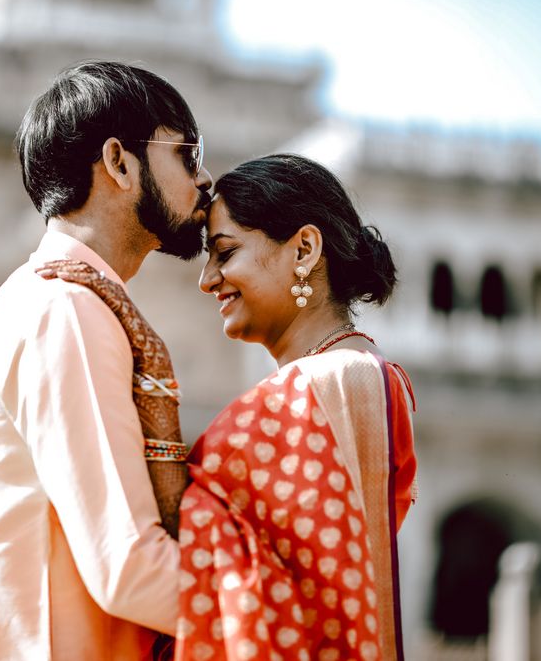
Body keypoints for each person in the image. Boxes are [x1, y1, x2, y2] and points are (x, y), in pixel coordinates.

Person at [0, 61, 212, 660]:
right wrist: (297, 612)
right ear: (120, 163)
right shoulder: (68, 310)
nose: (206, 178)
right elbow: (128, 565)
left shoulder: (54, 299)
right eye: (188, 152)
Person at [174, 154, 417, 661]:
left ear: (304, 249)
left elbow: (198, 549)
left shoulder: (316, 387)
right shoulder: (371, 374)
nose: (208, 280)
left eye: (224, 252)